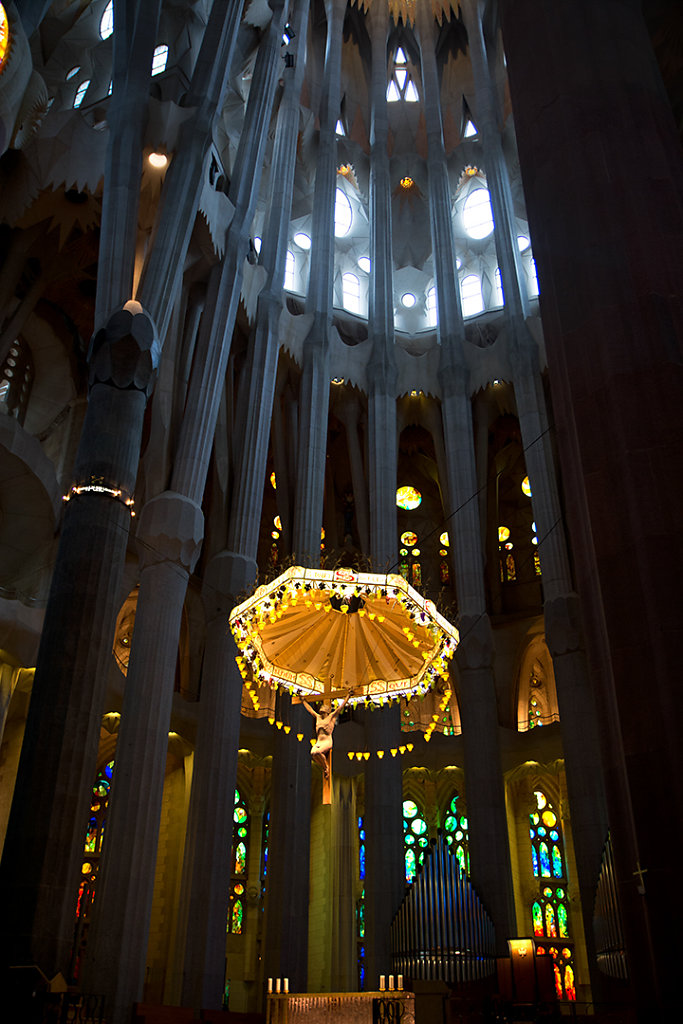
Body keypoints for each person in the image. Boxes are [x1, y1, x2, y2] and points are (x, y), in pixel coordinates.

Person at [302, 691, 351, 778]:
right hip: (319, 741)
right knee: (313, 753)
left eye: (323, 710)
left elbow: (340, 707)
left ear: (327, 711)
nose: (321, 710)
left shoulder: (331, 717)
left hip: (327, 740)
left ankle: (326, 767)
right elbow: (310, 710)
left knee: (317, 752)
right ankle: (324, 766)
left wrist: (348, 696)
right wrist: (303, 701)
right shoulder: (318, 717)